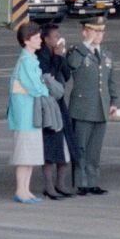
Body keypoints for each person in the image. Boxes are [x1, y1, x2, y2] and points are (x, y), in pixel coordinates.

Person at [67, 16, 118, 196]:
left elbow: (110, 80)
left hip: (101, 107)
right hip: (83, 107)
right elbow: (71, 65)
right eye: (95, 30)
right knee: (80, 147)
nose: (99, 34)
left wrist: (113, 101)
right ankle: (81, 182)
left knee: (95, 149)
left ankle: (93, 181)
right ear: (85, 31)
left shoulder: (106, 54)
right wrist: (85, 44)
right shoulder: (77, 52)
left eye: (101, 31)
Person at [7, 21, 51, 203]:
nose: (40, 40)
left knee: (30, 155)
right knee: (24, 154)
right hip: (24, 113)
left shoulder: (31, 59)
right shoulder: (26, 60)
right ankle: (20, 190)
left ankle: (26, 189)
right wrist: (46, 90)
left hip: (30, 113)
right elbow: (34, 86)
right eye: (36, 38)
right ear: (26, 41)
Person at [36, 22, 76, 199]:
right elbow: (47, 77)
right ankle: (49, 185)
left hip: (60, 103)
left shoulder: (58, 52)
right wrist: (57, 57)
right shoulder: (41, 55)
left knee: (65, 143)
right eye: (55, 37)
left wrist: (62, 56)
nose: (58, 39)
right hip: (48, 104)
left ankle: (61, 183)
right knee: (51, 145)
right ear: (45, 39)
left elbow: (66, 75)